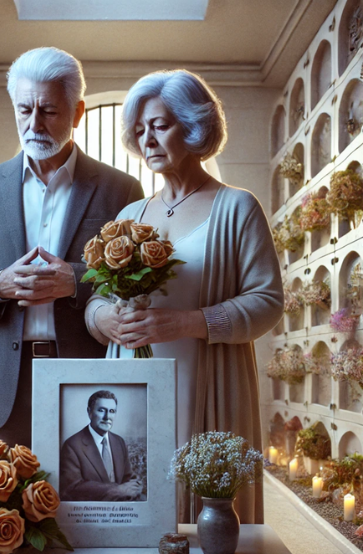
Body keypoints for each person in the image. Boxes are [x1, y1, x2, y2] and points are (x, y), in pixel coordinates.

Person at [85, 70, 283, 524]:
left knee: (200, 505)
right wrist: (104, 321)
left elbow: (268, 300)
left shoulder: (237, 207)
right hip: (131, 382)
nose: (147, 139)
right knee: (132, 491)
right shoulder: (130, 214)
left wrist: (190, 322)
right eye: (139, 130)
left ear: (194, 126)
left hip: (205, 381)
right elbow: (96, 299)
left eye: (159, 125)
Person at [0, 48, 144, 446]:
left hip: (89, 377)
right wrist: (1, 283)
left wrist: (76, 280)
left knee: (82, 506)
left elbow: (138, 282)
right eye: (24, 110)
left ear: (77, 112)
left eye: (48, 111)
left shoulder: (121, 189)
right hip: (4, 387)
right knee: (6, 508)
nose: (34, 124)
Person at [60, 390, 143, 501]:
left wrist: (136, 486)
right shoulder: (72, 445)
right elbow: (72, 487)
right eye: (101, 410)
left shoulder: (119, 442)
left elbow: (128, 477)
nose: (107, 417)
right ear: (89, 412)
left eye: (112, 411)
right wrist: (117, 490)